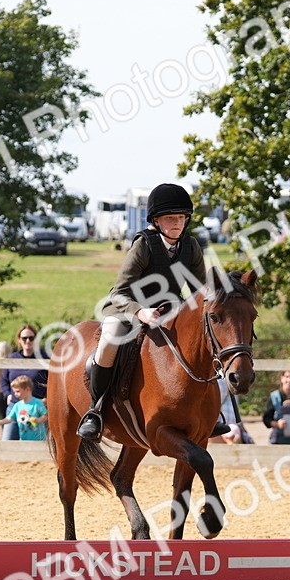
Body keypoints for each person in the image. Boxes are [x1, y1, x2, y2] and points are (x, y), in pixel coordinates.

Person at [76, 182, 209, 441]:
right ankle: (96, 409)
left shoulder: (190, 246)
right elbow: (119, 291)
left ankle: (209, 413)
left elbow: (198, 293)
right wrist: (140, 312)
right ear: (156, 220)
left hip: (170, 312)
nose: (177, 223)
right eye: (171, 218)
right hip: (128, 309)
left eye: (181, 218)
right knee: (109, 342)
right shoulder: (144, 245)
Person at [0, 324, 49, 441]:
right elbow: (3, 380)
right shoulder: (12, 358)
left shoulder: (44, 358)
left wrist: (47, 397)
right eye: (24, 338)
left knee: (39, 445)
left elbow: (53, 380)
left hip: (37, 407)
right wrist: (7, 394)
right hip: (15, 407)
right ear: (19, 340)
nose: (28, 341)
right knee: (7, 442)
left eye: (31, 338)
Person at [0, 375, 48, 441]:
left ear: (28, 389)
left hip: (39, 440)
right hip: (24, 440)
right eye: (14, 392)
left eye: (18, 391)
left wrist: (38, 420)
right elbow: (9, 419)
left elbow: (45, 416)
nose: (15, 394)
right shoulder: (17, 405)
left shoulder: (37, 403)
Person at [210, 375, 253, 445]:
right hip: (224, 427)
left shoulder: (228, 380)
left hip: (228, 427)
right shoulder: (224, 380)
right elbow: (214, 404)